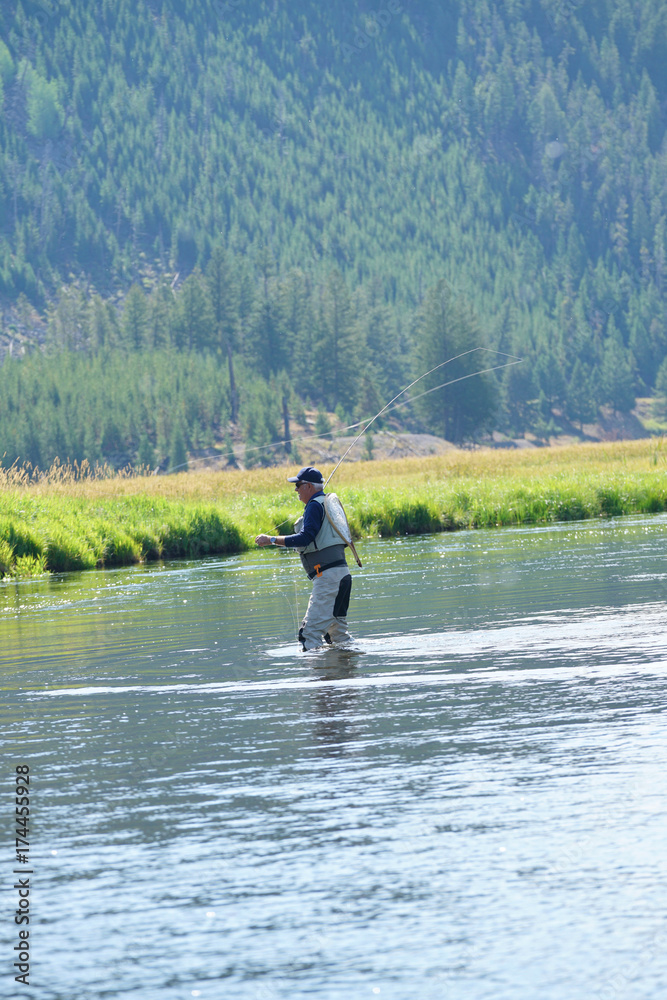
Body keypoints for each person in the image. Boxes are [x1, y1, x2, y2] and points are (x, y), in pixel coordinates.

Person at [255, 466, 353, 651]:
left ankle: (318, 679)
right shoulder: (326, 504)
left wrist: (272, 540)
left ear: (308, 486)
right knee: (337, 635)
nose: (296, 490)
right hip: (343, 576)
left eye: (298, 485)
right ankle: (344, 674)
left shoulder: (315, 506)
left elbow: (305, 538)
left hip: (328, 578)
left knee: (309, 634)